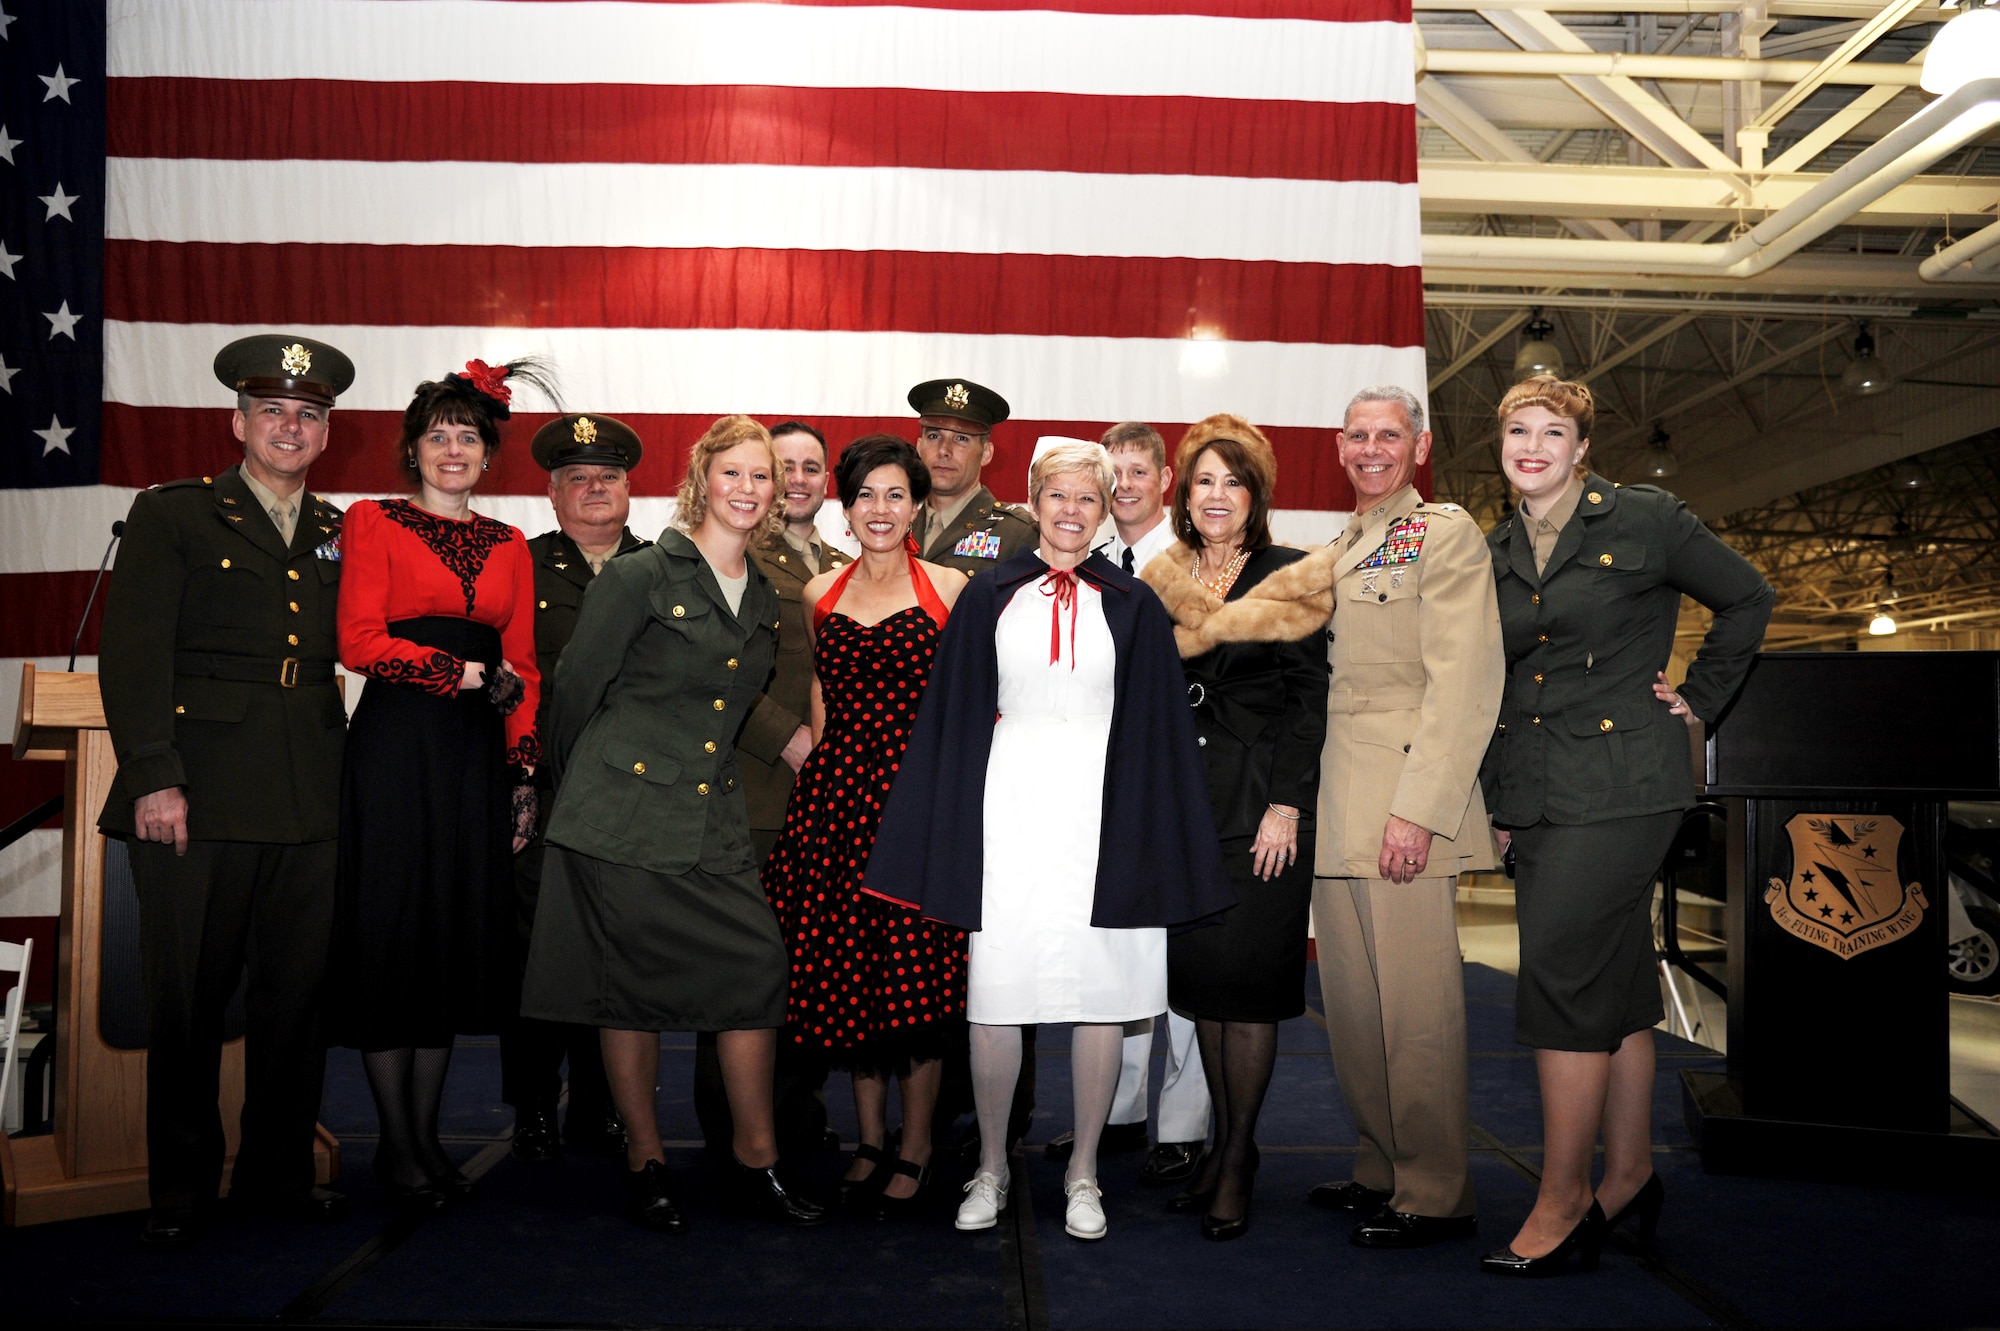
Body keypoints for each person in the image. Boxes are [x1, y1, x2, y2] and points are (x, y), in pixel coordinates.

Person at [866, 440, 1234, 1243]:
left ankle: (1085, 1171)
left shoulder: (1133, 603)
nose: (1072, 511)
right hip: (1011, 812)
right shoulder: (988, 595)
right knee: (997, 996)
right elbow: (953, 719)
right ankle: (992, 1164)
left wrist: (1155, 832)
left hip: (1106, 817)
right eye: (1058, 496)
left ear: (1106, 509)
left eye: (1088, 499)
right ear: (1033, 500)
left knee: (1103, 995)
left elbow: (1158, 730)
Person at [1477, 375, 1771, 1276]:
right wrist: (1494, 796)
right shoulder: (1495, 548)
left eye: (1552, 431)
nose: (1533, 445)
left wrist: (1698, 702)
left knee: (1560, 977)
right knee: (1616, 980)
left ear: (1582, 446)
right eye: (1517, 430)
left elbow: (1747, 598)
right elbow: (1496, 686)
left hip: (1623, 784)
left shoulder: (1643, 519)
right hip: (1538, 789)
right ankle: (1631, 1173)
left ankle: (1564, 1200)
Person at [522, 415, 827, 1233]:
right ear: (702, 479)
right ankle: (645, 1157)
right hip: (620, 812)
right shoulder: (642, 573)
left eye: (761, 477)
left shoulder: (765, 591)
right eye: (732, 473)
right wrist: (571, 799)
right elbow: (576, 692)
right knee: (629, 990)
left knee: (757, 970)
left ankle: (755, 1158)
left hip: (712, 815)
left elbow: (740, 704)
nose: (748, 489)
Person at [98, 334, 356, 1248]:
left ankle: (278, 1172)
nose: (291, 427)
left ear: (326, 432)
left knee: (296, 1001)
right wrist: (155, 776)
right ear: (237, 421)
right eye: (274, 411)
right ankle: (181, 1186)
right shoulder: (175, 514)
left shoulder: (342, 530)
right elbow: (132, 656)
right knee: (188, 1000)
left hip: (311, 796)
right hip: (196, 795)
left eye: (309, 414)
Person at [330, 358, 546, 1210]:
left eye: (468, 436)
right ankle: (397, 1143)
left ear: (489, 455)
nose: (453, 449)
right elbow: (358, 640)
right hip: (394, 750)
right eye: (437, 435)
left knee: (446, 941)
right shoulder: (373, 520)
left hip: (472, 762)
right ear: (412, 450)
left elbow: (522, 668)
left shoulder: (511, 545)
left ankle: (422, 1138)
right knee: (393, 935)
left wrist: (522, 773)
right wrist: (456, 673)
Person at [1308, 385, 1503, 1250]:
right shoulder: (1342, 542)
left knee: (1416, 1005)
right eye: (1358, 435)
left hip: (1402, 801)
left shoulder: (1444, 531)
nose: (1372, 449)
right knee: (1353, 1003)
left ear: (1419, 447)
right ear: (1339, 445)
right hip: (1335, 802)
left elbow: (1463, 681)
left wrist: (1420, 811)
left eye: (1390, 435)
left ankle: (1435, 1187)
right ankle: (1381, 1162)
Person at [764, 433, 971, 1219]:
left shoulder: (951, 587)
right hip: (838, 802)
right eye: (865, 496)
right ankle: (870, 1140)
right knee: (853, 981)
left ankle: (916, 1145)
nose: (879, 510)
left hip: (917, 805)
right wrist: (816, 788)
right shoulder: (821, 590)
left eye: (895, 494)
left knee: (916, 982)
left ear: (917, 503)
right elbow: (820, 696)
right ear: (844, 508)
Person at [1139, 415, 1331, 1240]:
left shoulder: (1290, 576)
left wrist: (1287, 803)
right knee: (1206, 992)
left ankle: (1241, 1154)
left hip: (1262, 813)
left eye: (1232, 481)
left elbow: (1308, 702)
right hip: (1188, 809)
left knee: (1248, 991)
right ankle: (1220, 1145)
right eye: (1203, 481)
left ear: (1256, 494)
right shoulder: (1162, 577)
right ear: (1184, 493)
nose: (1216, 495)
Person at [1049, 421, 1213, 1184]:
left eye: (1137, 471)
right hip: (1095, 787)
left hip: (1169, 778)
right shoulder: (1089, 566)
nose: (1122, 485)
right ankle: (1112, 1111)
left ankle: (1181, 1122)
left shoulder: (1187, 565)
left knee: (1173, 958)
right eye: (1110, 472)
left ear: (1164, 480)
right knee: (1115, 948)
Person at [690, 421, 852, 1163]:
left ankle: (795, 1114)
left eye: (810, 466)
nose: (795, 478)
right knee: (738, 968)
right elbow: (715, 671)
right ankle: (730, 1130)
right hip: (755, 790)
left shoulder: (852, 562)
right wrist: (789, 737)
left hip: (825, 799)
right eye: (780, 465)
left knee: (806, 964)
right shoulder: (734, 552)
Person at [502, 412, 650, 1166]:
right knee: (536, 950)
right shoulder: (518, 566)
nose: (596, 489)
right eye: (578, 479)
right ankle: (531, 1103)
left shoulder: (666, 567)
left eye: (609, 477)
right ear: (553, 496)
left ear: (631, 490)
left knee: (617, 950)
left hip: (636, 794)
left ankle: (606, 1106)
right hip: (548, 790)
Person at [908, 378, 1037, 578]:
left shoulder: (1018, 533)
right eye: (934, 436)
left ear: (986, 453)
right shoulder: (898, 524)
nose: (944, 450)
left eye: (961, 439)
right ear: (919, 446)